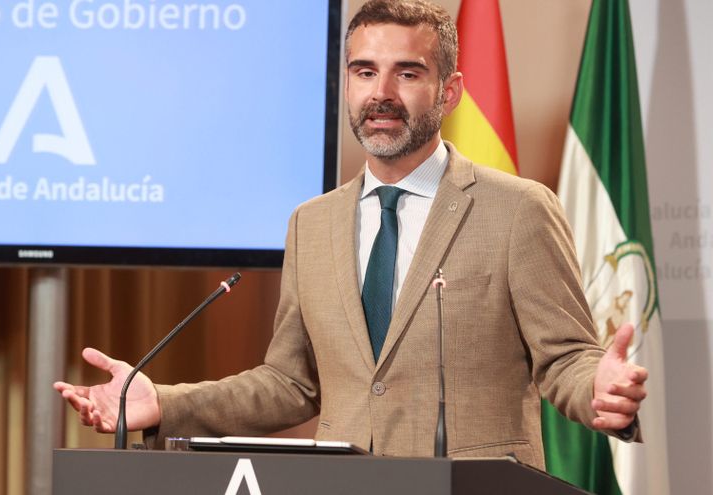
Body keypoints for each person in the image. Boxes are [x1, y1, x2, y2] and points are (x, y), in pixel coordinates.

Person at [54, 0, 646, 469]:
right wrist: (164, 402)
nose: (381, 93)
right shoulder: (311, 223)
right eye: (365, 71)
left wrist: (600, 386)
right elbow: (291, 383)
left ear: (450, 91)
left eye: (406, 73)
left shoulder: (517, 210)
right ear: (347, 84)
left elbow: (565, 357)